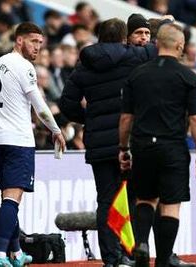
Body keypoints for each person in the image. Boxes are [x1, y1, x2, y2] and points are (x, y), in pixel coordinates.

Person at [59, 18, 157, 267]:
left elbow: (67, 104)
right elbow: (157, 47)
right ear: (125, 36)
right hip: (130, 142)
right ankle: (133, 253)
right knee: (133, 197)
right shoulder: (135, 56)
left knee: (106, 200)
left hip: (99, 143)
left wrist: (90, 119)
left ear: (99, 37)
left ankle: (112, 259)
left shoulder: (85, 65)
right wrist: (163, 23)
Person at [0, 22, 66, 267]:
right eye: (33, 41)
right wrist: (55, 129)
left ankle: (16, 253)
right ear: (19, 41)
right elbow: (38, 103)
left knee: (8, 198)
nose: (38, 47)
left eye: (40, 42)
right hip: (17, 139)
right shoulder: (24, 66)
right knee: (12, 200)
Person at [119, 23, 196, 267]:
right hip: (172, 147)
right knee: (170, 204)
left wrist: (123, 149)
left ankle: (142, 243)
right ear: (180, 46)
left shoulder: (136, 75)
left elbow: (126, 118)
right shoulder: (189, 77)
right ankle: (164, 259)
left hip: (142, 145)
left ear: (157, 44)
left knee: (145, 199)